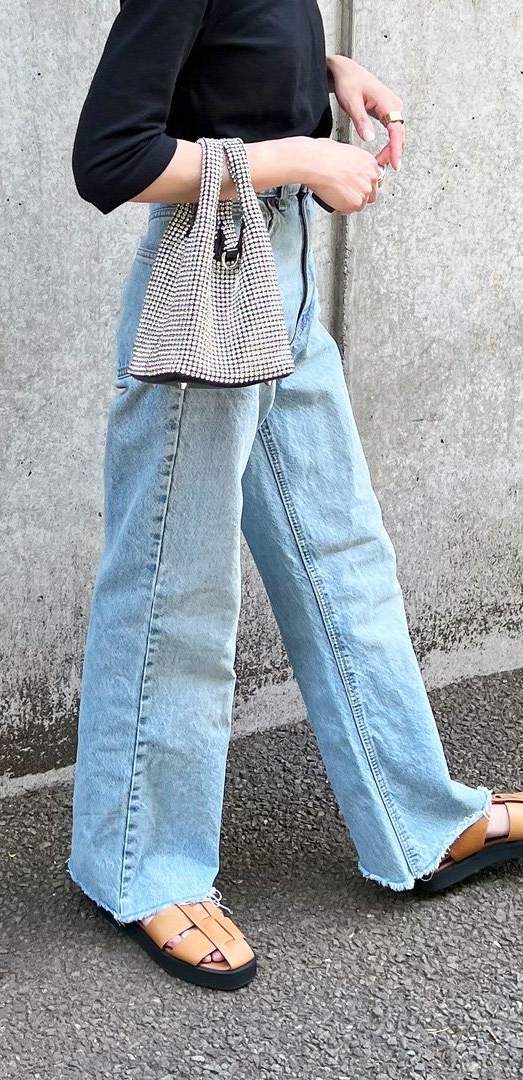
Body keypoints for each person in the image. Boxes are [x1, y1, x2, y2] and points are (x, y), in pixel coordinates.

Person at [66, 0, 523, 992]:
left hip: (284, 272)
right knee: (174, 590)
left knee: (341, 559)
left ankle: (419, 818)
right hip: (212, 276)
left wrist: (326, 69)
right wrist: (303, 159)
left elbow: (225, 55)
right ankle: (143, 867)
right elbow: (112, 158)